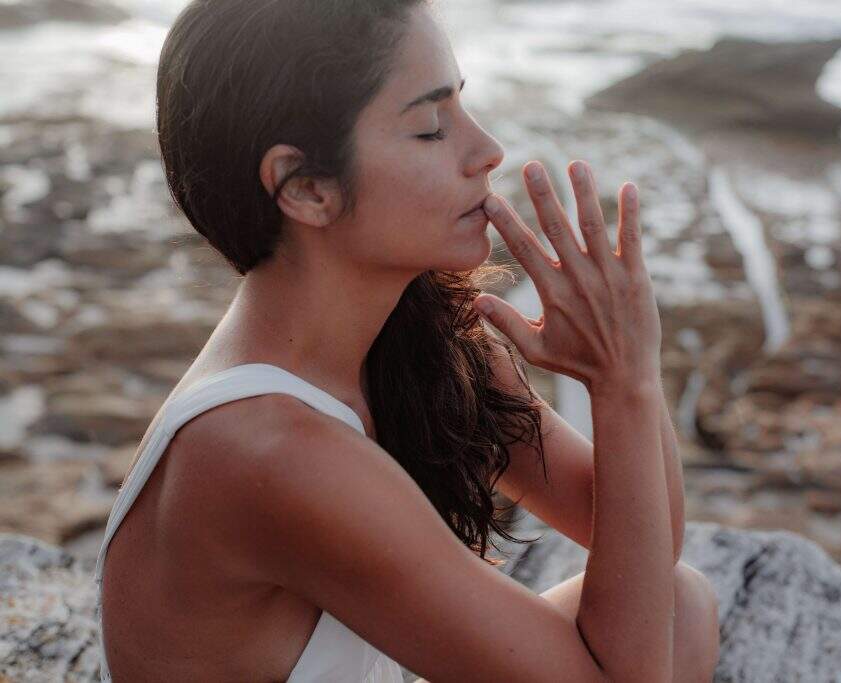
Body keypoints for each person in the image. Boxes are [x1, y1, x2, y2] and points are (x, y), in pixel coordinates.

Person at [93, 0, 720, 681]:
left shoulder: (414, 335)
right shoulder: (270, 450)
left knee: (681, 607)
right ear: (306, 190)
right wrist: (620, 380)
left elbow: (648, 545)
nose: (486, 150)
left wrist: (631, 372)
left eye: (463, 108)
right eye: (430, 127)